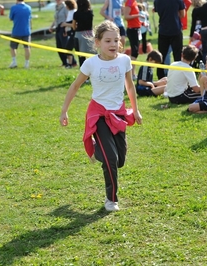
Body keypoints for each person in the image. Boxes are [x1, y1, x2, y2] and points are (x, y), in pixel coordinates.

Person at [59, 20, 142, 211]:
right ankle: (111, 199)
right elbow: (75, 86)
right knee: (111, 159)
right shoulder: (91, 64)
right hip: (98, 115)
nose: (113, 44)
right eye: (108, 41)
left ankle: (98, 150)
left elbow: (129, 86)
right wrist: (64, 110)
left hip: (118, 113)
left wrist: (135, 110)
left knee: (119, 161)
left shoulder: (124, 60)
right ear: (97, 42)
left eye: (116, 40)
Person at [153, 0, 186, 79]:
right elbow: (182, 15)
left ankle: (161, 77)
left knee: (161, 56)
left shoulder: (157, 1)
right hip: (176, 29)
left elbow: (158, 11)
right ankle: (178, 76)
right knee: (177, 55)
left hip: (163, 29)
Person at [9, 0, 32, 69]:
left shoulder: (13, 8)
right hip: (26, 31)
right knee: (27, 47)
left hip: (16, 31)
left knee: (13, 47)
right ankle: (27, 63)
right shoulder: (28, 7)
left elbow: (11, 18)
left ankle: (14, 62)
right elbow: (30, 19)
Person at [73, 0, 95, 67]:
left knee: (81, 56)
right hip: (90, 34)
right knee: (92, 55)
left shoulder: (76, 14)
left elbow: (73, 26)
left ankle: (84, 73)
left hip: (79, 35)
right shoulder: (90, 12)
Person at [123, 0, 142, 80]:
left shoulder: (134, 2)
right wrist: (138, 15)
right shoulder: (129, 2)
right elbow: (126, 16)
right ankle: (131, 73)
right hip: (132, 29)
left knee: (135, 52)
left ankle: (132, 73)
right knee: (134, 52)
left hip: (136, 29)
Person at [61, 0, 77, 68]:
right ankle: (70, 63)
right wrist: (66, 31)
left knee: (69, 48)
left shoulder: (74, 12)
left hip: (74, 33)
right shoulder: (70, 12)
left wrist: (65, 24)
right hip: (70, 33)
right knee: (68, 49)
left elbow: (74, 25)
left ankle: (71, 64)